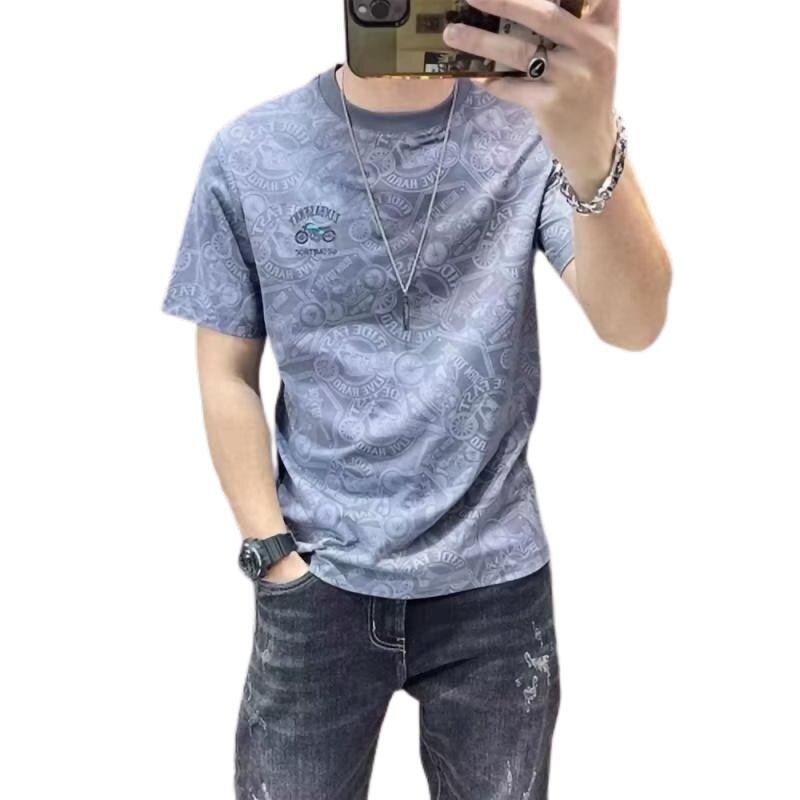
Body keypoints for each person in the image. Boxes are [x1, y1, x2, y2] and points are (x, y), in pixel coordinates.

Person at [161, 1, 671, 797]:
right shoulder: (250, 152)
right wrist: (271, 555)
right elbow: (226, 369)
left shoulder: (533, 133)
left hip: (494, 585)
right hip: (317, 576)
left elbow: (633, 323)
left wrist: (590, 139)